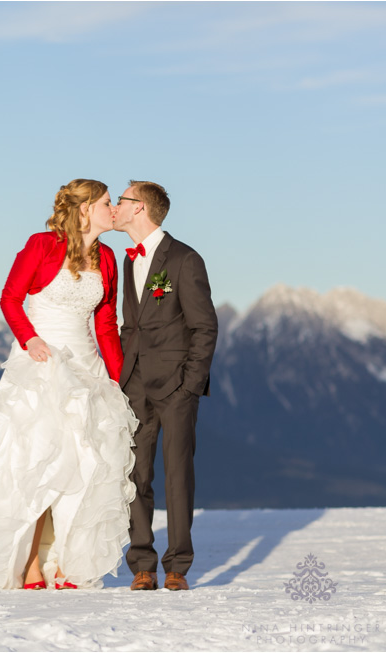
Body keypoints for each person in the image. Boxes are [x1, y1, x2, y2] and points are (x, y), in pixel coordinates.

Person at [0, 179, 138, 590]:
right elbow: (9, 297)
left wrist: (118, 377)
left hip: (87, 367)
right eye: (108, 203)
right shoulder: (41, 244)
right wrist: (30, 338)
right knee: (39, 464)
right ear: (87, 208)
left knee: (87, 466)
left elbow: (106, 324)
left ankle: (73, 563)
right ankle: (31, 564)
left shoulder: (106, 257)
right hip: (41, 364)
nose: (115, 209)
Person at [111, 180, 218, 592]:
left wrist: (190, 385)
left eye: (120, 200)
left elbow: (204, 326)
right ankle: (142, 564)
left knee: (177, 475)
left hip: (176, 386)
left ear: (139, 208)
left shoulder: (185, 259)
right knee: (134, 475)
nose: (115, 207)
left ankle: (177, 565)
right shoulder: (128, 261)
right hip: (134, 385)